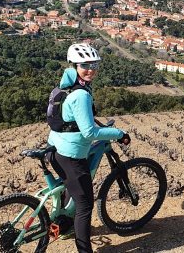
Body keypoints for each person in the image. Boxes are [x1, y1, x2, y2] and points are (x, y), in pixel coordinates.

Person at [48, 43, 131, 252]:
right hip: (71, 156)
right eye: (85, 65)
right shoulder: (82, 94)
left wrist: (99, 124)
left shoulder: (66, 85)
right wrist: (119, 134)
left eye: (94, 64)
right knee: (85, 206)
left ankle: (63, 225)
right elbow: (90, 133)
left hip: (54, 148)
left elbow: (77, 119)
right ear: (74, 65)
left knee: (71, 188)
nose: (91, 69)